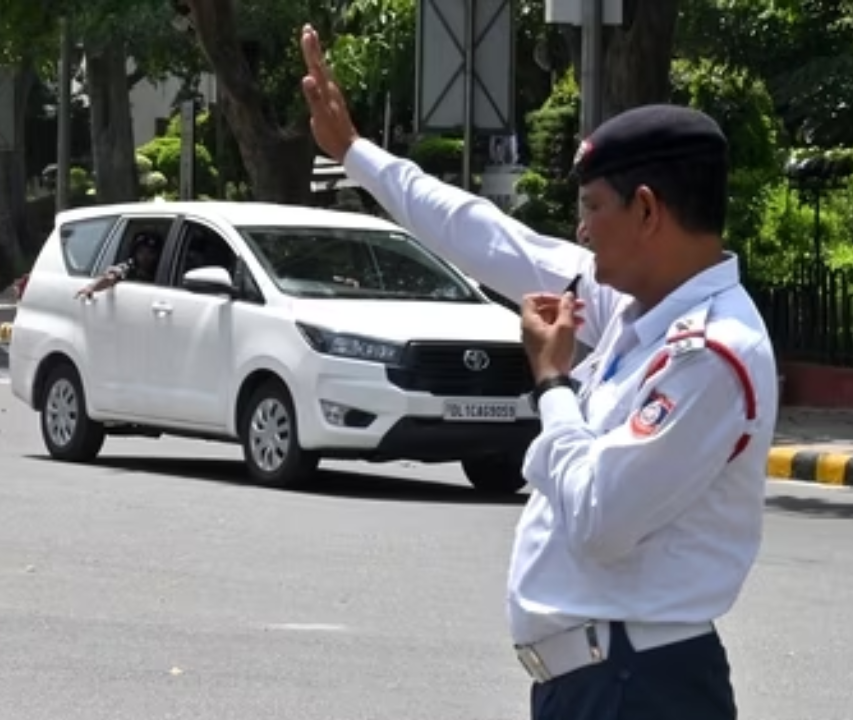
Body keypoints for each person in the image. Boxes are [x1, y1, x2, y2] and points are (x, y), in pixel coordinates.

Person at [299, 24, 778, 720]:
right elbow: (488, 237)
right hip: (599, 681)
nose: (580, 232)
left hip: (638, 690)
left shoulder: (711, 353)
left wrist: (553, 384)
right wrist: (355, 154)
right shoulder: (637, 304)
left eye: (591, 208)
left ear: (647, 210)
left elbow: (600, 518)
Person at [75, 232, 162, 299]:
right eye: (141, 252)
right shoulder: (129, 267)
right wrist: (92, 287)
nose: (145, 257)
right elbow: (110, 277)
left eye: (150, 253)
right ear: (135, 254)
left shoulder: (163, 269)